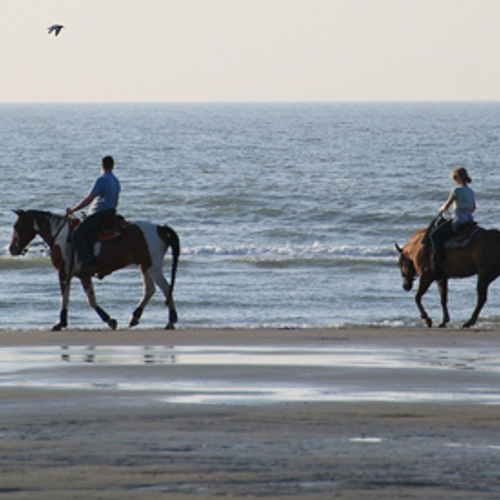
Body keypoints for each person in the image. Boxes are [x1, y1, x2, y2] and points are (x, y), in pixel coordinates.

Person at [66, 156, 121, 275]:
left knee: (77, 234)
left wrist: (73, 209)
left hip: (100, 213)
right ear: (112, 166)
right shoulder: (116, 181)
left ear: (101, 165)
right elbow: (116, 202)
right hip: (110, 212)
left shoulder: (101, 179)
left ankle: (88, 263)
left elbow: (90, 199)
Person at [430, 167, 476, 278]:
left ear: (458, 178)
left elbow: (447, 205)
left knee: (434, 236)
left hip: (459, 219)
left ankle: (438, 262)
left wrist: (441, 210)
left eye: (454, 178)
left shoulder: (456, 190)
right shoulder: (471, 191)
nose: (454, 181)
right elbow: (474, 207)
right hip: (469, 219)